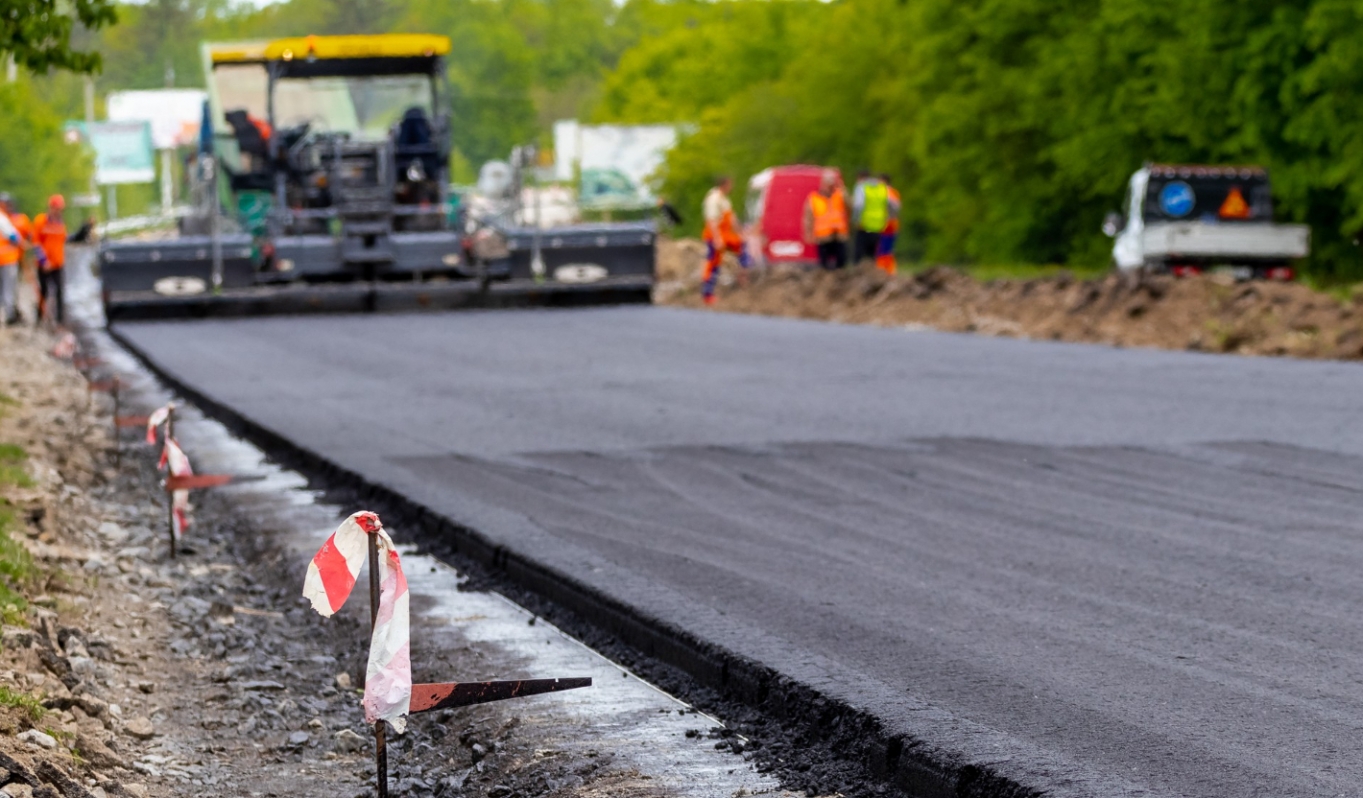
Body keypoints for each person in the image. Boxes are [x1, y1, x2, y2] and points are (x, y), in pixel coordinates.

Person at [700, 176, 749, 305]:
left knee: (741, 245)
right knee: (713, 263)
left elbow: (732, 218)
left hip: (725, 234)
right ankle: (707, 293)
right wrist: (717, 239)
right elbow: (712, 221)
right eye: (730, 185)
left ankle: (744, 273)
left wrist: (740, 232)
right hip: (714, 235)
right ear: (725, 185)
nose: (731, 187)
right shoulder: (713, 199)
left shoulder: (724, 199)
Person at [803, 169, 848, 270]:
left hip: (838, 235)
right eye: (827, 184)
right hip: (823, 236)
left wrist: (842, 187)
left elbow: (849, 205)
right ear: (822, 184)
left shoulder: (839, 195)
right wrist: (808, 233)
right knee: (824, 265)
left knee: (841, 263)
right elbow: (808, 217)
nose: (829, 187)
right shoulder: (814, 198)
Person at [32, 195, 67, 325]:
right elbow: (36, 243)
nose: (58, 211)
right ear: (51, 207)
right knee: (44, 291)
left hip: (58, 263)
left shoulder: (60, 224)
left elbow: (64, 240)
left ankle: (60, 319)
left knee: (59, 291)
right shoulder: (41, 221)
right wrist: (43, 261)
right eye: (56, 208)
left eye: (60, 209)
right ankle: (39, 318)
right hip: (44, 264)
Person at [851, 170, 893, 264]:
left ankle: (857, 274)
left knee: (859, 254)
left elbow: (858, 205)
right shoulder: (882, 188)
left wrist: (855, 219)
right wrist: (887, 219)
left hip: (863, 225)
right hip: (878, 225)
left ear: (859, 178)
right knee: (872, 254)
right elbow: (892, 205)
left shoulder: (862, 187)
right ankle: (871, 275)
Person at [874, 174, 902, 275]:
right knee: (883, 249)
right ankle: (885, 270)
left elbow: (896, 208)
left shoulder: (889, 193)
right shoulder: (892, 192)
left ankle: (886, 270)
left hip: (888, 225)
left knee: (885, 249)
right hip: (885, 224)